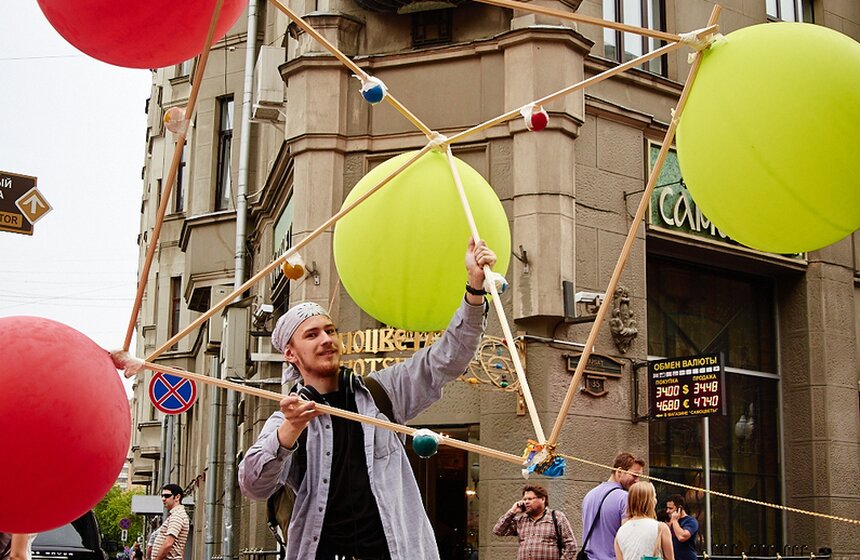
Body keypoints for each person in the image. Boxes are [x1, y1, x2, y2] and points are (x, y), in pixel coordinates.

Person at [238, 240, 497, 560]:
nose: (326, 340)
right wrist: (289, 432)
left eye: (329, 331)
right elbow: (253, 485)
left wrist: (474, 288)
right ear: (290, 354)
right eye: (312, 334)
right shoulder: (288, 419)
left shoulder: (380, 394)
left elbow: (447, 358)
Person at [580, 452, 645, 560]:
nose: (637, 481)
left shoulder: (590, 495)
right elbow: (629, 538)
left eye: (639, 477)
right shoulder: (625, 498)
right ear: (619, 472)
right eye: (634, 475)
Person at [493, 484, 578, 560]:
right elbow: (498, 531)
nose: (526, 502)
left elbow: (571, 546)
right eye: (524, 499)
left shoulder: (557, 517)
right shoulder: (521, 520)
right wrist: (512, 511)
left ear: (543, 499)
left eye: (530, 499)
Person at [613, 482, 674, 560]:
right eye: (654, 497)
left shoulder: (620, 532)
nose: (656, 500)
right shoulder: (661, 528)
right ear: (650, 501)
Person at [151, 484, 189, 560]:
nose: (163, 499)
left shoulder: (177, 515)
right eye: (162, 496)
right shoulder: (176, 514)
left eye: (167, 496)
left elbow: (168, 543)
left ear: (177, 497)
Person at [666, 495, 698, 560]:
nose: (667, 511)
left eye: (670, 508)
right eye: (667, 508)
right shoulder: (670, 522)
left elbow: (682, 537)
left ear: (679, 508)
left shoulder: (691, 521)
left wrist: (674, 521)